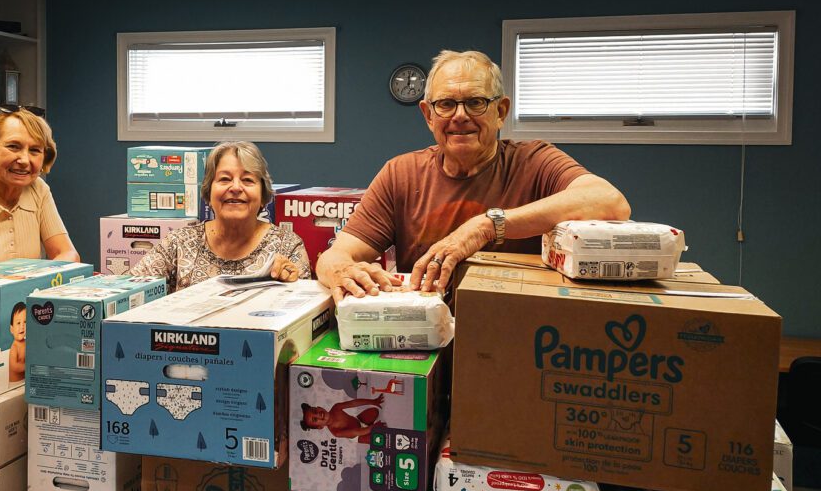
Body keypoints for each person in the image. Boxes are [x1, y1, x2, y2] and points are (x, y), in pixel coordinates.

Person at [317, 50, 631, 302]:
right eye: (446, 104)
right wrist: (342, 270)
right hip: (423, 338)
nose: (460, 116)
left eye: (475, 102)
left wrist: (486, 226)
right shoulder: (400, 174)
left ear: (501, 112)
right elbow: (334, 255)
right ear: (428, 115)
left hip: (513, 332)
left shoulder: (534, 161)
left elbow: (611, 201)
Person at [131, 141, 309, 292]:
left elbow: (303, 306)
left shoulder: (288, 246)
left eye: (247, 180)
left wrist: (288, 282)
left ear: (263, 196)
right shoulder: (178, 243)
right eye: (225, 179)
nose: (236, 188)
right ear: (208, 193)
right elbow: (130, 287)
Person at [0, 105, 80, 263]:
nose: (24, 160)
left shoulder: (38, 189)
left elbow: (68, 254)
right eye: (13, 147)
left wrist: (39, 276)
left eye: (35, 150)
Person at [299, 394, 386, 443]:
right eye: (315, 419)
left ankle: (369, 427)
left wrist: (372, 401)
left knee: (374, 411)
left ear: (319, 407)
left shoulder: (336, 407)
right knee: (380, 438)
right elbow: (356, 432)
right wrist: (373, 428)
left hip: (358, 421)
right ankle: (370, 430)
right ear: (320, 427)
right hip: (359, 435)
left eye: (315, 411)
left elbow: (354, 403)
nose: (318, 415)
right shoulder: (336, 432)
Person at [8, 302, 27, 383]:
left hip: (23, 382)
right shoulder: (14, 347)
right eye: (18, 323)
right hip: (14, 384)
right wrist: (27, 366)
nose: (22, 326)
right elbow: (14, 366)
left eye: (25, 322)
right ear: (12, 329)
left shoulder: (26, 343)